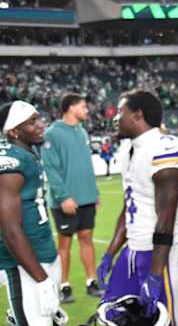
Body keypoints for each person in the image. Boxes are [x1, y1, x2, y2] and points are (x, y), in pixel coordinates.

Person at [96, 90, 178, 325]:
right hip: (135, 247)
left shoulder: (165, 148)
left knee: (164, 320)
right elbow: (130, 204)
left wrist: (156, 273)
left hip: (162, 250)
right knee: (112, 312)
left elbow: (166, 218)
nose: (115, 118)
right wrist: (110, 253)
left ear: (138, 115)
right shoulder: (130, 149)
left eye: (121, 112)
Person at [0, 101, 64, 325]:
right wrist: (41, 279)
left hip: (42, 253)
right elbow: (9, 229)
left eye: (39, 118)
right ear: (14, 131)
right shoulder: (10, 160)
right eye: (32, 121)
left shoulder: (28, 153)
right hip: (24, 264)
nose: (40, 124)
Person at [41, 92, 102, 303]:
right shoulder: (52, 133)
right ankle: (64, 285)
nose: (86, 110)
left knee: (87, 239)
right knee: (64, 245)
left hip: (86, 198)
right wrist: (64, 197)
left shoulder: (82, 132)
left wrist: (95, 193)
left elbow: (86, 166)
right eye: (83, 106)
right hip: (64, 202)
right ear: (71, 108)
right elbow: (51, 168)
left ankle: (91, 281)